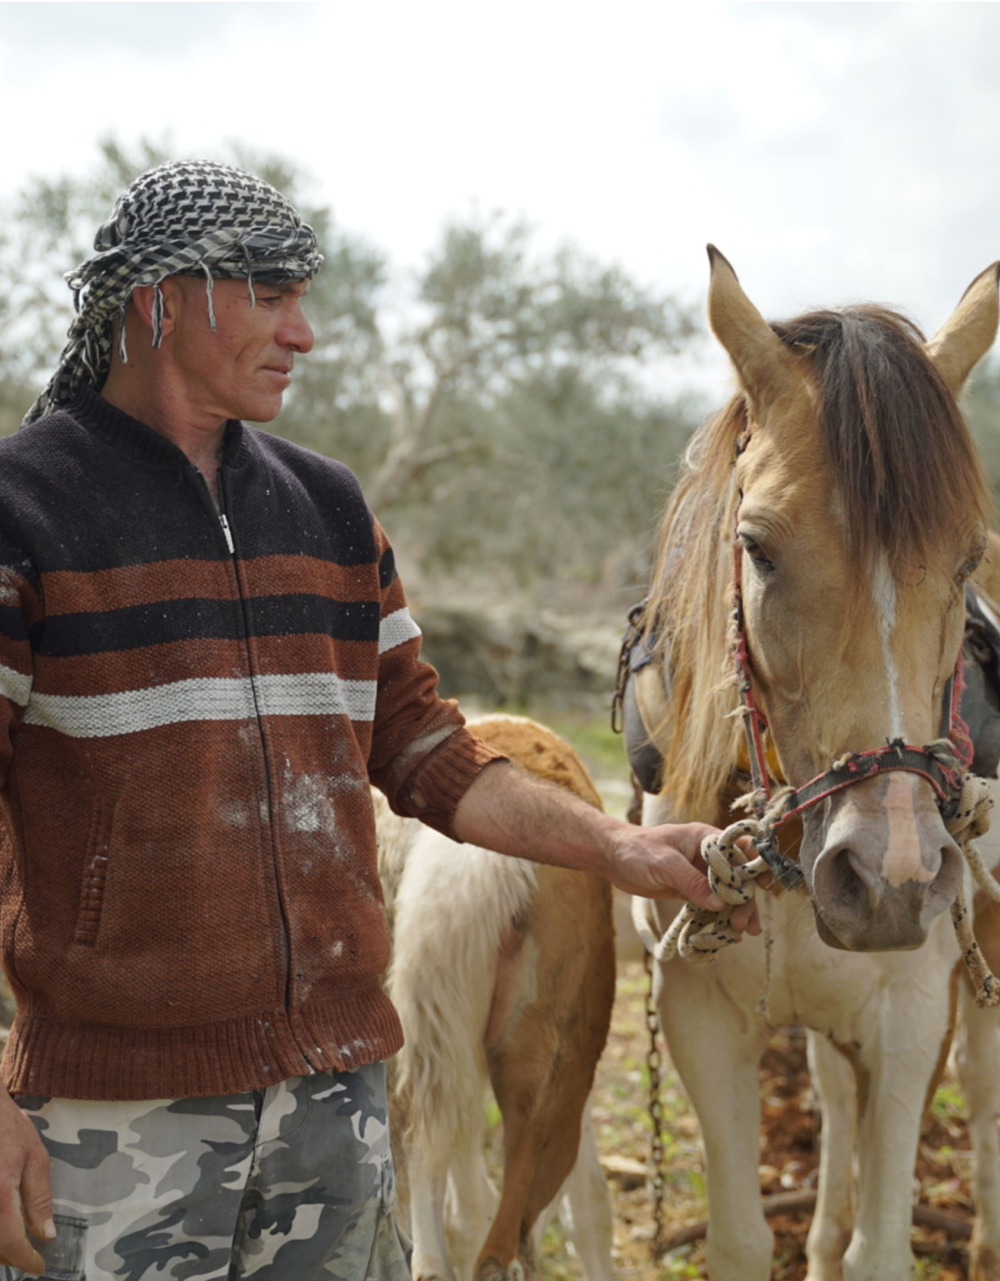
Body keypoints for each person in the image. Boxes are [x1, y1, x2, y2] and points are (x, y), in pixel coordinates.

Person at [0, 161, 756, 1280]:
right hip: (110, 1119)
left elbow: (426, 750)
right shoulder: (23, 511)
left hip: (338, 1103)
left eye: (302, 299)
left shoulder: (329, 508)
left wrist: (621, 848)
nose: (302, 333)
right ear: (158, 301)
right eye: (268, 296)